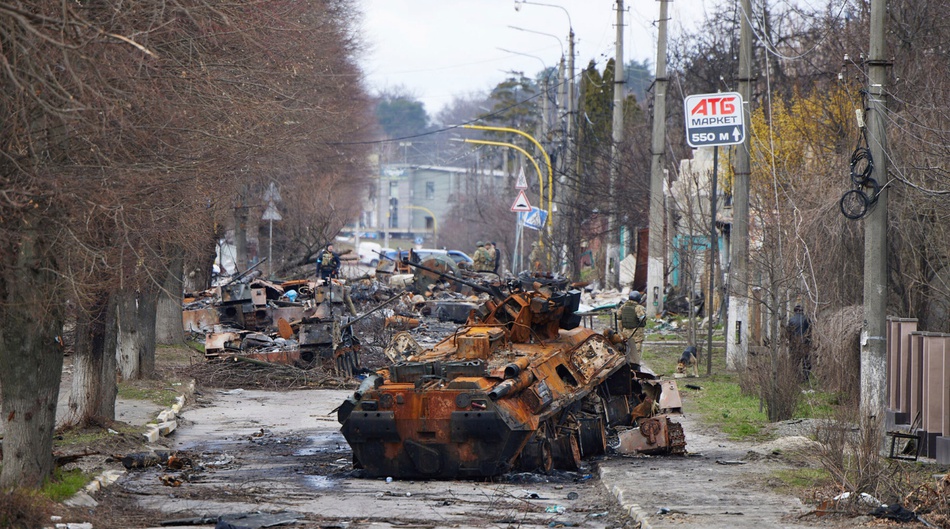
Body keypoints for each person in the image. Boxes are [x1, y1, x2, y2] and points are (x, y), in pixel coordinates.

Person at [618, 290, 647, 369]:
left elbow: (618, 316)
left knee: (626, 351)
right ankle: (636, 368)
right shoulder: (638, 308)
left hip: (625, 333)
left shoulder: (623, 306)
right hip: (636, 334)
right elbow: (642, 318)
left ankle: (626, 366)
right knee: (636, 352)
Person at [787, 304, 813, 380]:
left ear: (795, 311)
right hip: (805, 344)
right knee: (806, 362)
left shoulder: (791, 320)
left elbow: (788, 333)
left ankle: (796, 378)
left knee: (795, 362)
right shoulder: (807, 319)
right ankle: (806, 378)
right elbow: (810, 331)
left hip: (794, 344)